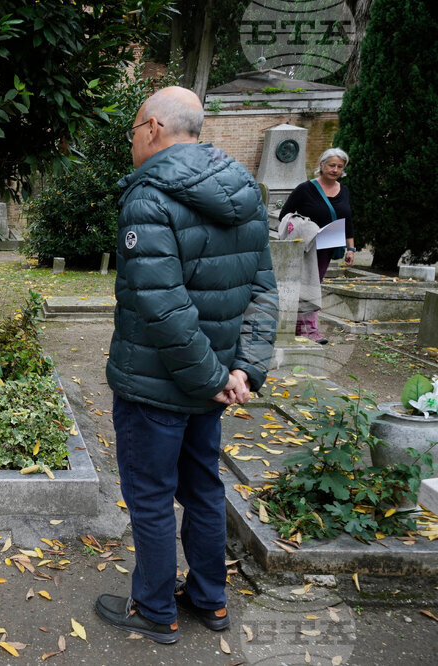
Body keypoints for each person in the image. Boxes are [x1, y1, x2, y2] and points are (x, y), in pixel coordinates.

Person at [94, 86, 278, 644]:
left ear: (152, 127)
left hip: (159, 387)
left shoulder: (148, 197)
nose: (132, 143)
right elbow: (263, 294)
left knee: (150, 497)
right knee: (203, 489)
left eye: (132, 131)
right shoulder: (245, 191)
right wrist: (240, 371)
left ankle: (154, 609)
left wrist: (220, 376)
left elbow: (162, 306)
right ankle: (209, 601)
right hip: (212, 387)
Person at [278, 148, 356, 344]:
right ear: (321, 165)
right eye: (332, 165)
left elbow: (348, 220)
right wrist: (306, 228)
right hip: (304, 247)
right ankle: (306, 328)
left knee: (313, 286)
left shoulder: (344, 190)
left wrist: (351, 248)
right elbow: (285, 216)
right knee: (303, 285)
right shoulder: (305, 189)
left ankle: (304, 326)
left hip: (327, 248)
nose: (335, 170)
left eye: (340, 166)